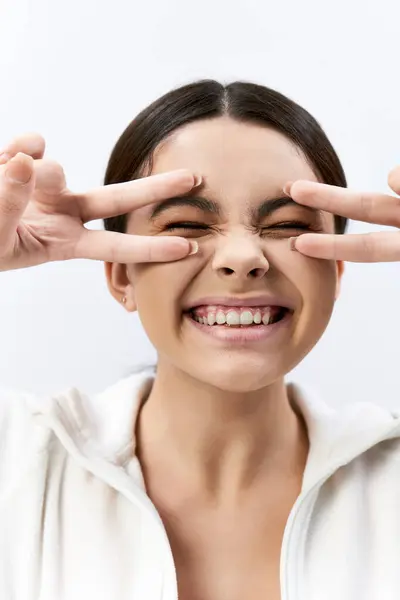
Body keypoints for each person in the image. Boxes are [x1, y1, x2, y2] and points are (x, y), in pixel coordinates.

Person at [0, 80, 399, 600]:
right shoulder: (17, 463)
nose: (242, 257)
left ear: (338, 273)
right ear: (121, 275)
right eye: (187, 223)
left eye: (285, 226)